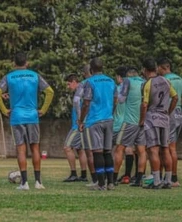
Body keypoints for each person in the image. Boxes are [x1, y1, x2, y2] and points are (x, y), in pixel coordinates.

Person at [0, 52, 54, 190]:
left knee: (21, 149)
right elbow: (50, 91)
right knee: (35, 148)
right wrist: (43, 109)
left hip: (17, 117)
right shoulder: (35, 76)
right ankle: (38, 182)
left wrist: (4, 110)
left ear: (14, 64)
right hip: (32, 116)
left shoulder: (8, 77)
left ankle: (24, 183)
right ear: (27, 63)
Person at [78, 57, 117, 191]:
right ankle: (111, 182)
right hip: (109, 119)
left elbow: (86, 102)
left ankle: (100, 183)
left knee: (97, 152)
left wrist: (81, 120)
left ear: (91, 69)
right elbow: (116, 100)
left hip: (95, 120)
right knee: (108, 151)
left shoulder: (90, 82)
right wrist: (111, 113)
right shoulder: (111, 81)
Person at [139, 58, 177, 189]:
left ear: (145, 70)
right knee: (165, 149)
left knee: (153, 149)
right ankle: (168, 180)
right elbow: (175, 97)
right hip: (164, 118)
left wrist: (142, 120)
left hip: (152, 118)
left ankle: (156, 181)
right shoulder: (166, 81)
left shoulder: (148, 83)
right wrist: (168, 111)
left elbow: (144, 105)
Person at [114, 66, 147, 187]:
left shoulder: (127, 81)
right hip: (142, 121)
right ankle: (138, 179)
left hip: (129, 121)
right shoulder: (144, 82)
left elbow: (121, 100)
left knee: (119, 148)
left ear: (128, 75)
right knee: (141, 151)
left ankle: (113, 177)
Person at [156, 57, 182, 187]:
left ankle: (172, 178)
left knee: (167, 147)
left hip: (169, 113)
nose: (157, 70)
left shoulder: (165, 80)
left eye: (158, 67)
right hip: (179, 114)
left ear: (163, 67)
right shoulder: (179, 79)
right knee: (173, 146)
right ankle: (173, 177)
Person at [62, 74, 88, 182]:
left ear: (74, 81)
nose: (68, 87)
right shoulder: (83, 91)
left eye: (69, 84)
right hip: (82, 124)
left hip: (77, 126)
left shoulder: (80, 92)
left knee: (67, 147)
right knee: (80, 149)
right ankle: (83, 175)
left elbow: (81, 106)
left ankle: (73, 173)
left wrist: (79, 121)